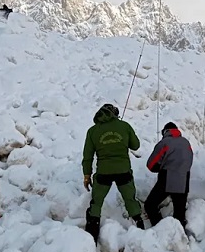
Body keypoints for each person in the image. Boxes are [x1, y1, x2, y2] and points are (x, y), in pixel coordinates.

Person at [82, 103, 143, 242]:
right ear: (115, 113)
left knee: (96, 203)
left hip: (103, 173)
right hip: (124, 171)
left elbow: (88, 156)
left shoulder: (92, 131)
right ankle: (140, 229)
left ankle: (92, 236)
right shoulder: (124, 126)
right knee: (130, 200)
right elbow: (136, 145)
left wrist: (87, 175)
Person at [144, 122, 194, 227]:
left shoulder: (165, 143)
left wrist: (160, 168)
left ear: (165, 132)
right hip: (184, 180)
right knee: (179, 215)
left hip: (167, 179)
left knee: (150, 205)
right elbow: (189, 160)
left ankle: (160, 228)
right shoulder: (186, 143)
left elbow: (151, 164)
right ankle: (180, 237)